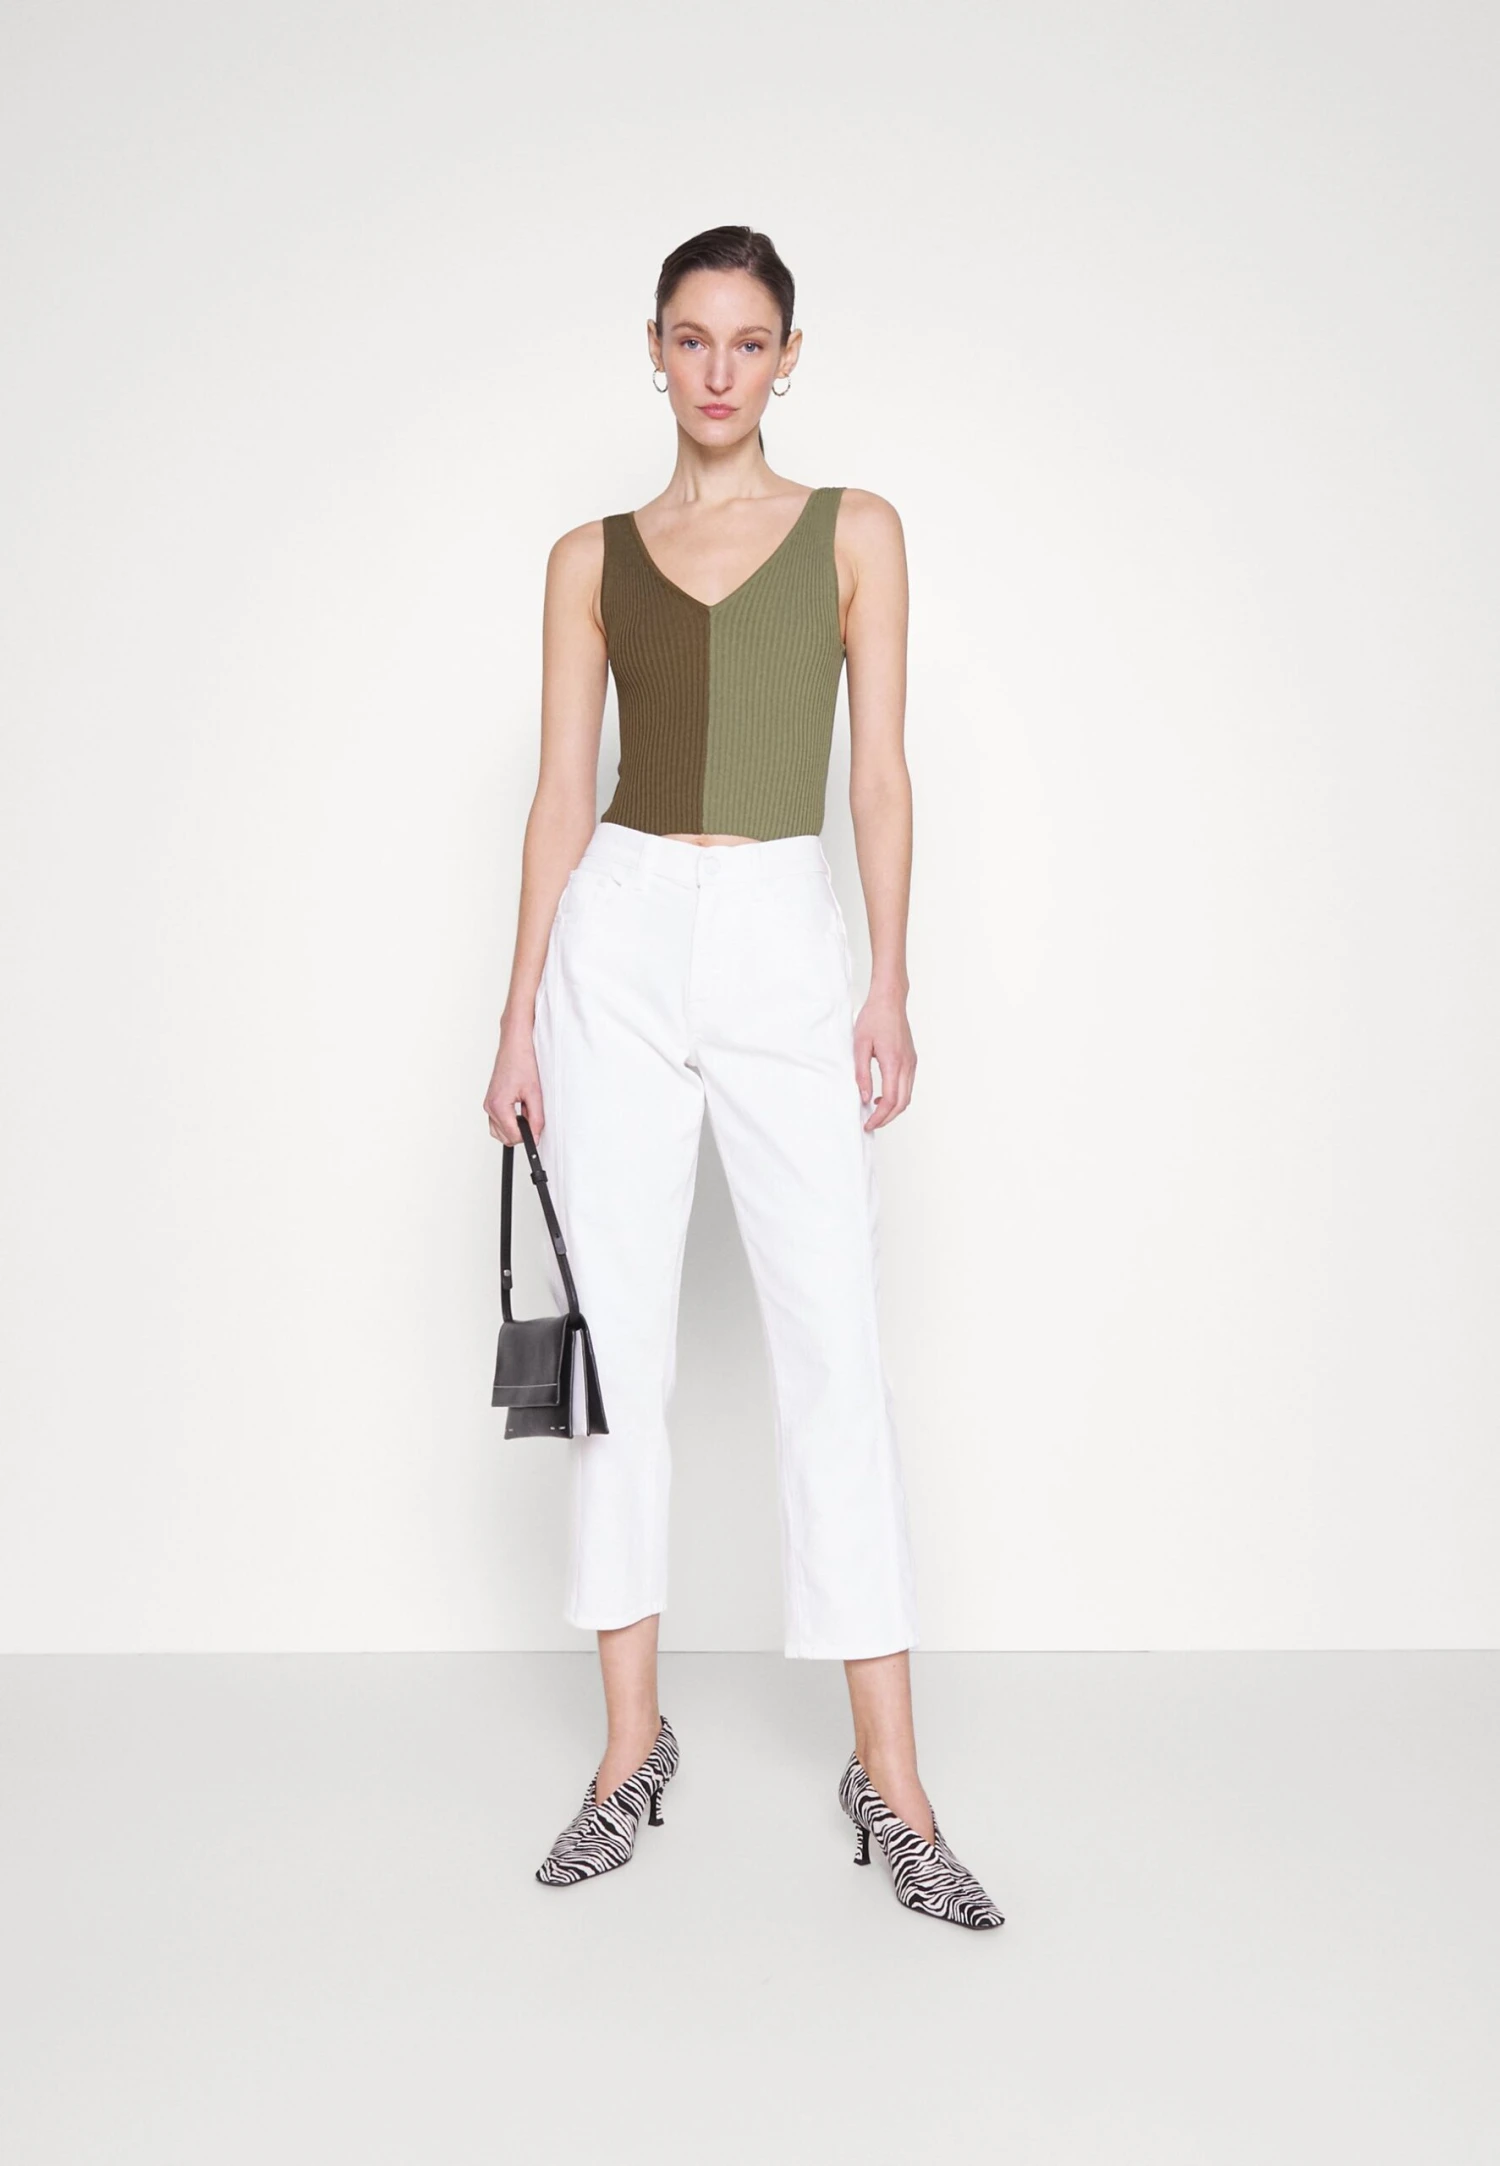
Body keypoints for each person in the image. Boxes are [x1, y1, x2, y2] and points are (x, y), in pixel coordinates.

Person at [482, 225, 1002, 1929]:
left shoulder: (857, 531)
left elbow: (882, 777)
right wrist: (516, 1015)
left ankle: (895, 1782)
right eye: (693, 338)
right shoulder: (587, 556)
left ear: (789, 357)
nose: (720, 369)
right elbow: (561, 792)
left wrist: (890, 976)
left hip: (784, 935)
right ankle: (628, 1749)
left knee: (833, 1347)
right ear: (653, 348)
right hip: (618, 944)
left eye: (750, 340)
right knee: (620, 1355)